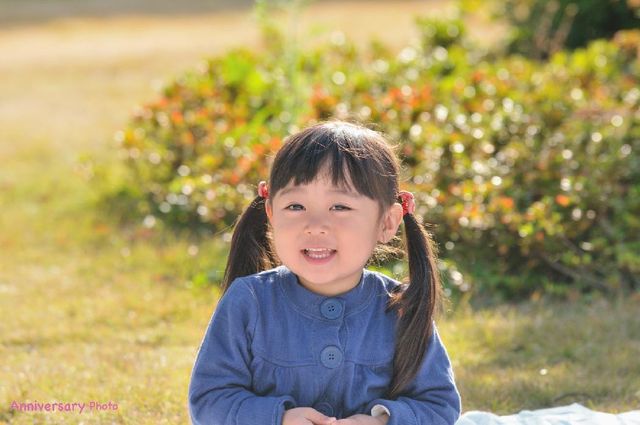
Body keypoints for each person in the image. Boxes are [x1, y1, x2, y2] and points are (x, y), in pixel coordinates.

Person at [188, 121, 461, 425]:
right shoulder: (248, 301)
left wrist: (381, 420)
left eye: (340, 207)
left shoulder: (400, 307)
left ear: (387, 222)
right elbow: (209, 400)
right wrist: (279, 419)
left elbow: (439, 407)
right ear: (271, 214)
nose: (315, 225)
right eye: (295, 206)